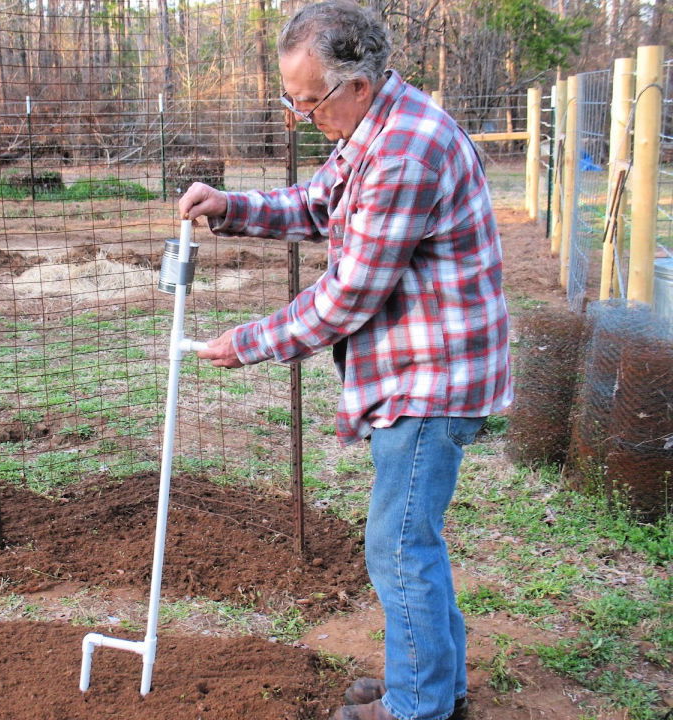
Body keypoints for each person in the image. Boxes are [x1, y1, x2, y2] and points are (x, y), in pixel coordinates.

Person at [178, 2, 513, 719]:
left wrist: (249, 342)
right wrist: (230, 206)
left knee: (397, 547)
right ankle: (431, 682)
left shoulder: (406, 149)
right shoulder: (371, 129)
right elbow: (316, 206)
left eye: (308, 100)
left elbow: (349, 294)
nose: (299, 115)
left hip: (435, 380)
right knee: (411, 540)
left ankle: (415, 706)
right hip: (416, 372)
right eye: (290, 98)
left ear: (358, 85)